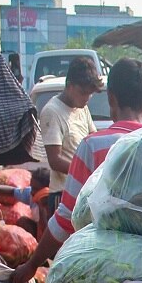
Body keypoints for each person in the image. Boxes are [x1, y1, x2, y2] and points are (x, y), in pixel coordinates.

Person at [12, 59, 142, 283]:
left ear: (111, 98)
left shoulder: (92, 147)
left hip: (106, 273)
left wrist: (32, 265)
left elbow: (65, 220)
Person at [37, 56, 101, 221]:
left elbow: (93, 139)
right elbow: (55, 160)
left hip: (84, 192)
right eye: (83, 93)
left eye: (90, 94)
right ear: (69, 85)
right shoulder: (52, 111)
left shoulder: (82, 108)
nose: (86, 98)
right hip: (63, 194)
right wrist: (85, 170)